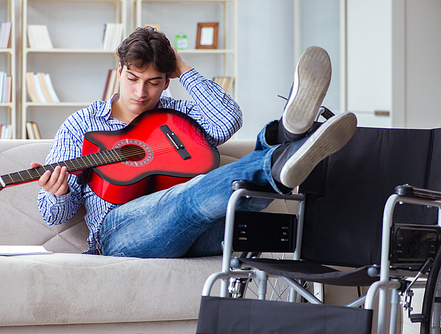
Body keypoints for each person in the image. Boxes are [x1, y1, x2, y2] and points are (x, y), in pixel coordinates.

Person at [32, 26, 357, 257]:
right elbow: (53, 215)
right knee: (187, 197)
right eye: (132, 79)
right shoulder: (83, 124)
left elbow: (226, 119)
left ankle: (285, 141)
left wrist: (184, 68)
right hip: (119, 232)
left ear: (166, 80)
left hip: (188, 233)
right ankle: (283, 147)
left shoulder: (175, 117)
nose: (140, 92)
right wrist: (57, 192)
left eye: (153, 82)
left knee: (241, 213)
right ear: (119, 70)